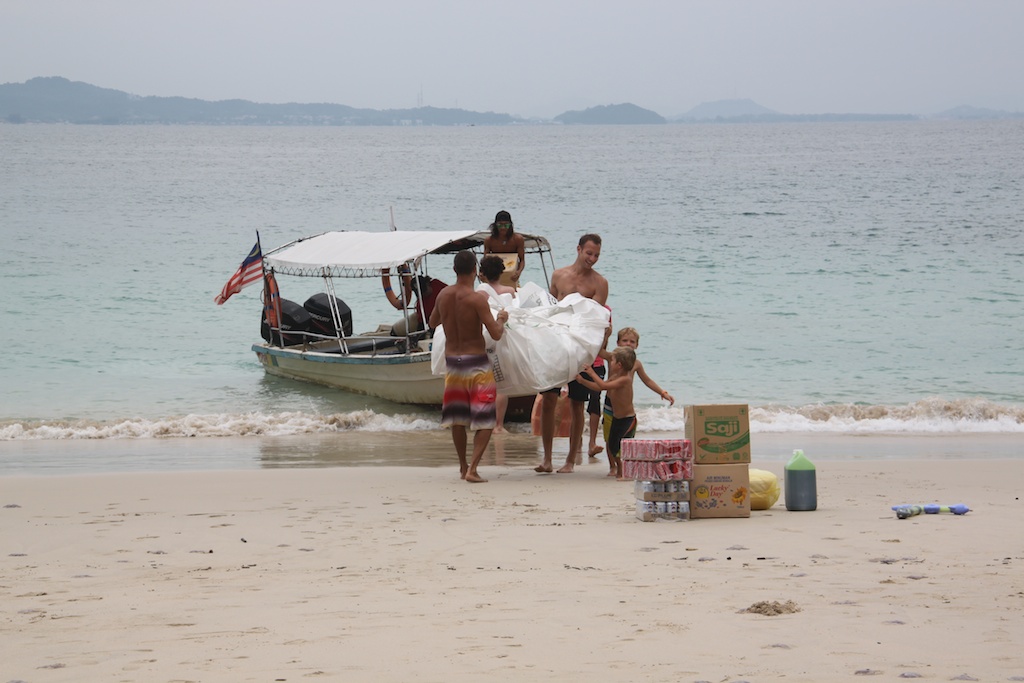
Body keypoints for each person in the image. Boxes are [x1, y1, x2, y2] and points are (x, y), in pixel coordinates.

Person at [428, 250, 509, 483]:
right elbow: (495, 333)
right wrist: (502, 319)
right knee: (485, 420)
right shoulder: (477, 299)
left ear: (454, 270)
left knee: (458, 419)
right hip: (477, 366)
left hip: (453, 365)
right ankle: (474, 468)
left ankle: (463, 467)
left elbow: (433, 322)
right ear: (475, 271)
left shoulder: (443, 295)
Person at [536, 233, 609, 474]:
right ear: (578, 249)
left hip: (580, 350)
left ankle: (569, 460)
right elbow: (550, 309)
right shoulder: (559, 276)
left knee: (578, 404)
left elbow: (594, 320)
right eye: (589, 253)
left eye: (597, 255)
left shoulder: (599, 283)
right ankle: (546, 459)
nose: (592, 259)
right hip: (556, 345)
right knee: (548, 399)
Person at [597, 326, 676, 475]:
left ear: (637, 345)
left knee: (624, 438)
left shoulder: (636, 363)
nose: (628, 343)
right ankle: (612, 466)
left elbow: (647, 380)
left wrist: (662, 392)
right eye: (624, 340)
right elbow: (600, 352)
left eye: (632, 341)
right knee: (609, 437)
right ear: (618, 342)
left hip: (625, 407)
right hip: (609, 404)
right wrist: (606, 336)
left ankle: (624, 465)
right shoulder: (612, 357)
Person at [575, 347, 637, 480]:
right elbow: (598, 387)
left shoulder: (625, 379)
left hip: (628, 420)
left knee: (622, 448)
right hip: (617, 418)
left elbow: (603, 386)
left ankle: (623, 471)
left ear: (619, 365)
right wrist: (582, 381)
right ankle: (621, 471)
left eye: (612, 360)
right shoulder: (615, 377)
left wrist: (592, 373)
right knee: (613, 445)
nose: (610, 362)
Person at [478, 255, 516, 433]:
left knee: (485, 382)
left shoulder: (480, 293)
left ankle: (486, 421)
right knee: (502, 383)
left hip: (486, 338)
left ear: (482, 273)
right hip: (504, 337)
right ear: (501, 272)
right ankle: (499, 425)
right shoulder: (510, 291)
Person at [381, 265, 447, 336]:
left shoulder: (437, 284)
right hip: (432, 322)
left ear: (428, 284)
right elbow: (421, 324)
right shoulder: (420, 305)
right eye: (421, 293)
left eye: (425, 291)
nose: (424, 295)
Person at [483, 210, 526, 288]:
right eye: (500, 225)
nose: (503, 228)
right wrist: (482, 273)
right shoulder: (489, 240)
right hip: (493, 280)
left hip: (512, 279)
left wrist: (519, 272)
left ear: (510, 225)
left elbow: (522, 260)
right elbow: (485, 261)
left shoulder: (517, 239)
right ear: (495, 225)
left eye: (506, 225)